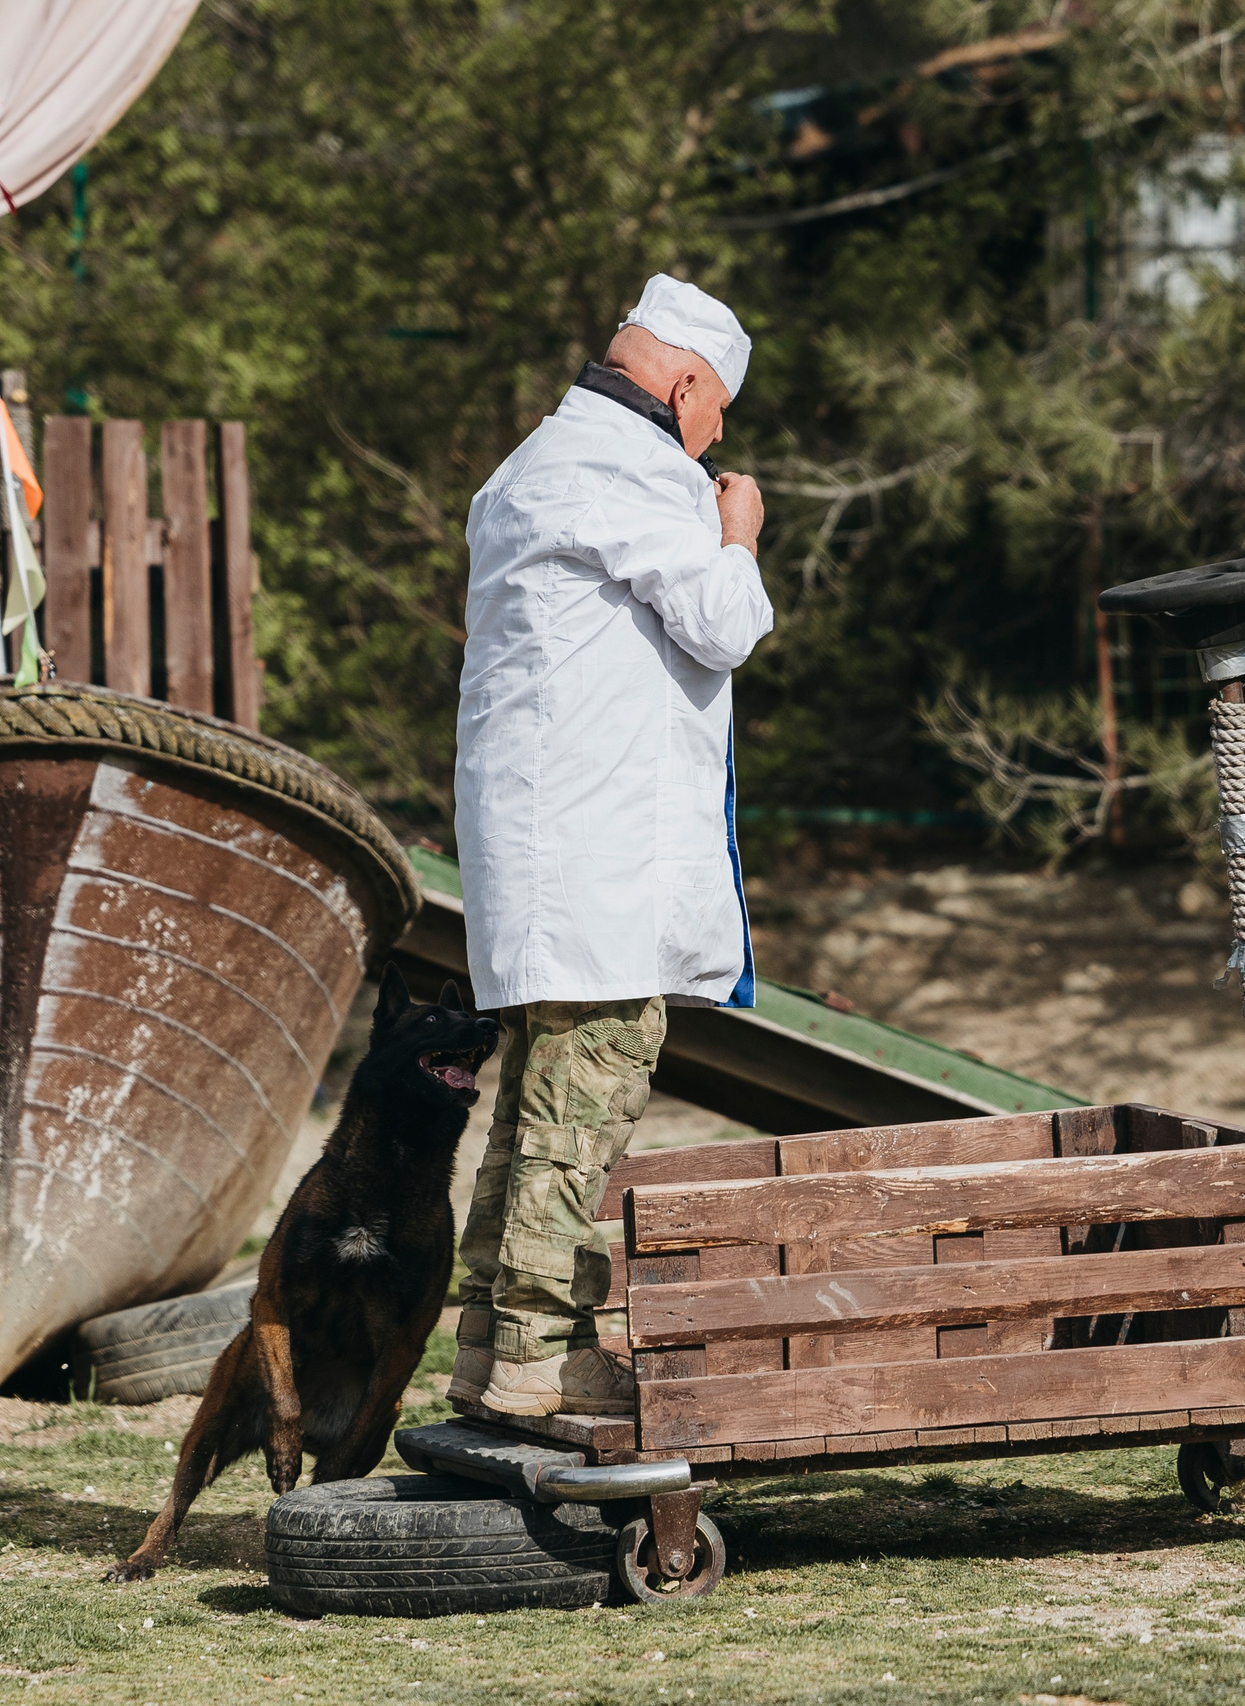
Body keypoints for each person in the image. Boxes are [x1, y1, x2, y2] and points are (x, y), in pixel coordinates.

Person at [443, 275, 775, 1417]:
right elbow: (723, 625)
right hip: (593, 850)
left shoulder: (530, 464)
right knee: (591, 1083)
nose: (718, 431)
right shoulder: (636, 475)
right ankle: (542, 1356)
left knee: (536, 1096)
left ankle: (487, 1343)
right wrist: (736, 534)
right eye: (716, 407)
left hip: (540, 840)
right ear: (682, 384)